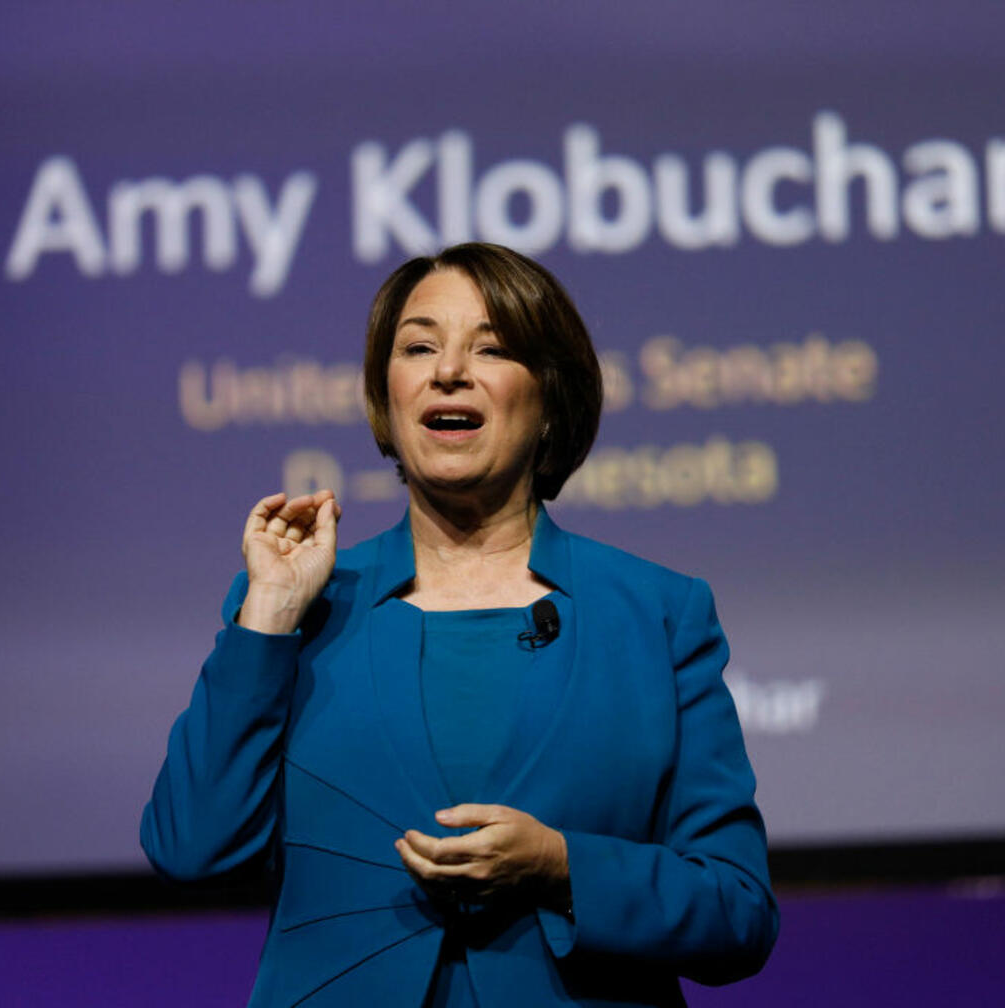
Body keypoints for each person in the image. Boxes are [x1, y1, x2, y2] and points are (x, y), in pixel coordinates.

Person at [141, 243, 778, 1007]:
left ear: (550, 401)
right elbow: (191, 849)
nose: (448, 370)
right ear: (388, 396)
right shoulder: (298, 606)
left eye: (493, 348)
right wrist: (269, 613)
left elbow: (737, 912)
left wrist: (561, 865)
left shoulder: (655, 614)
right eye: (418, 347)